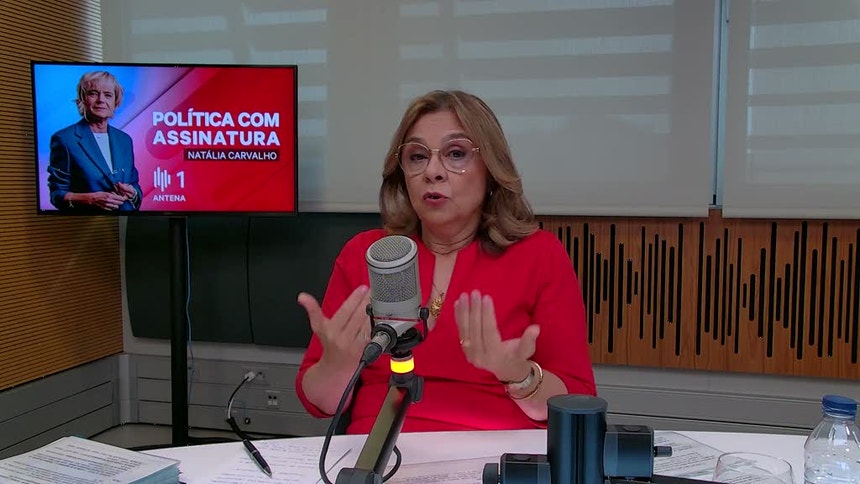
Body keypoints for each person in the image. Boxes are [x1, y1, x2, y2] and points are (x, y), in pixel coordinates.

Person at [296, 90, 596, 434]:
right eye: (417, 156)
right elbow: (321, 402)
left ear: (491, 169)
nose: (433, 171)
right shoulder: (368, 254)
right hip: (380, 451)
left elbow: (577, 402)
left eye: (456, 153)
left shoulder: (539, 256)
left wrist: (518, 374)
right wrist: (337, 365)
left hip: (494, 451)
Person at [47, 70, 142, 212]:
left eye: (108, 95)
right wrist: (90, 199)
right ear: (82, 99)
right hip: (88, 220)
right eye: (93, 93)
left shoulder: (124, 140)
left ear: (115, 102)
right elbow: (57, 195)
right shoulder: (65, 139)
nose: (101, 100)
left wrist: (133, 193)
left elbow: (135, 186)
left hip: (124, 219)